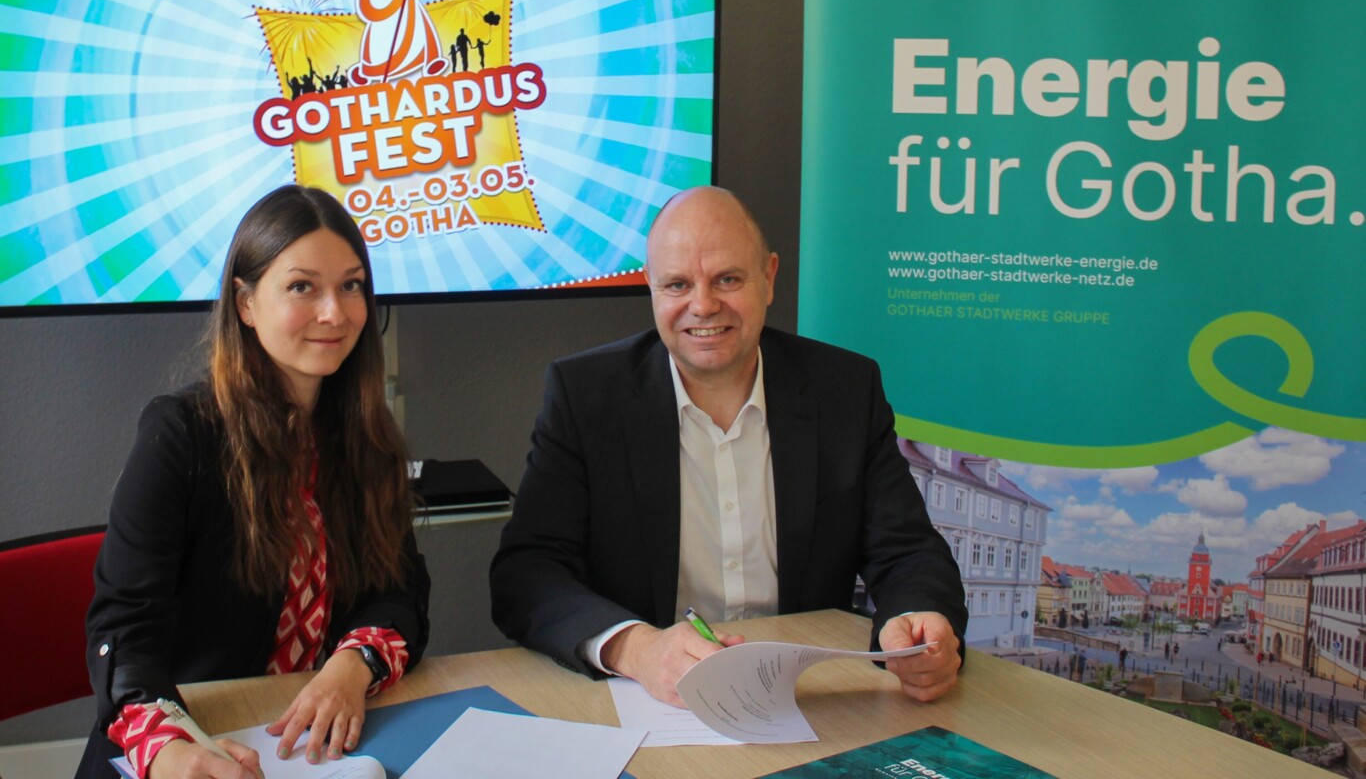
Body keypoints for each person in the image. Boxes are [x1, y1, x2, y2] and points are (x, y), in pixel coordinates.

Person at [489, 186, 966, 707]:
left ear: (769, 278)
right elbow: (527, 573)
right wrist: (636, 649)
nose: (703, 306)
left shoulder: (845, 390)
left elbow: (908, 551)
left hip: (807, 696)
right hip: (647, 700)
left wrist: (918, 622)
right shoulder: (585, 396)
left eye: (728, 280)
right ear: (650, 286)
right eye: (677, 284)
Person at [80, 186, 431, 779]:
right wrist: (167, 748)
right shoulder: (180, 433)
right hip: (196, 742)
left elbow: (401, 593)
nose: (335, 312)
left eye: (351, 286)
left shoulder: (365, 437)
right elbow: (124, 630)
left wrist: (352, 666)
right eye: (302, 287)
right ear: (245, 304)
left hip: (323, 747)